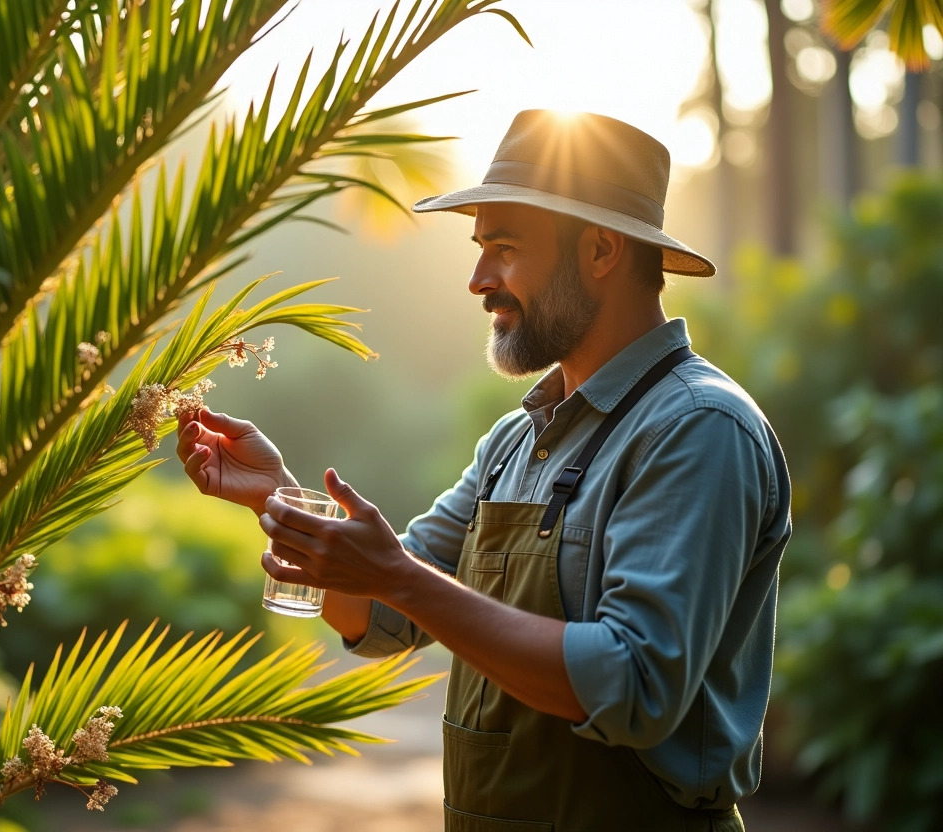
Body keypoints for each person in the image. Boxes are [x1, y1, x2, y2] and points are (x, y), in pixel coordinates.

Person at [176, 110, 791, 832]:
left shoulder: (696, 428)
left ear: (600, 250)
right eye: (479, 249)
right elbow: (381, 620)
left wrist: (398, 577)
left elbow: (633, 683)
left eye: (502, 248)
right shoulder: (512, 443)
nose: (476, 280)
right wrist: (279, 498)